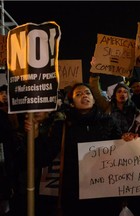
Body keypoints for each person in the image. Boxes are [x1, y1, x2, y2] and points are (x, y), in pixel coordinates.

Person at [47, 83, 124, 216]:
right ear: (71, 103)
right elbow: (45, 155)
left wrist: (127, 139)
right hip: (75, 195)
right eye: (78, 94)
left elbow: (120, 149)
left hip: (106, 194)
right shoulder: (63, 126)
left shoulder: (108, 122)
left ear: (94, 99)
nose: (84, 96)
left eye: (88, 93)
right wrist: (35, 134)